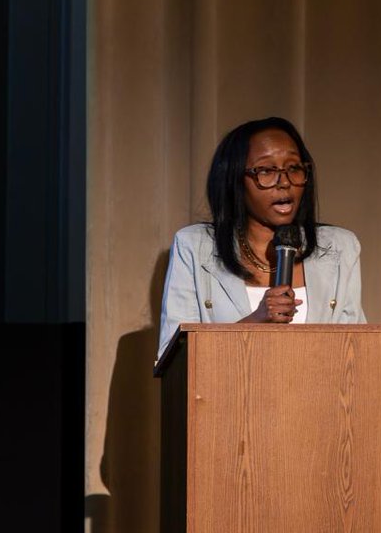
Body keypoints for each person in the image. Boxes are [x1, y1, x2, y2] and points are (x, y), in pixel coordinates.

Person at [157, 116, 366, 360]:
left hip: (319, 395)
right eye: (266, 171)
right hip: (230, 396)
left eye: (294, 168)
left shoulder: (338, 247)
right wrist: (255, 322)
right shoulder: (195, 246)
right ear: (234, 180)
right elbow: (174, 361)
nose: (284, 182)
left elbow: (355, 352)